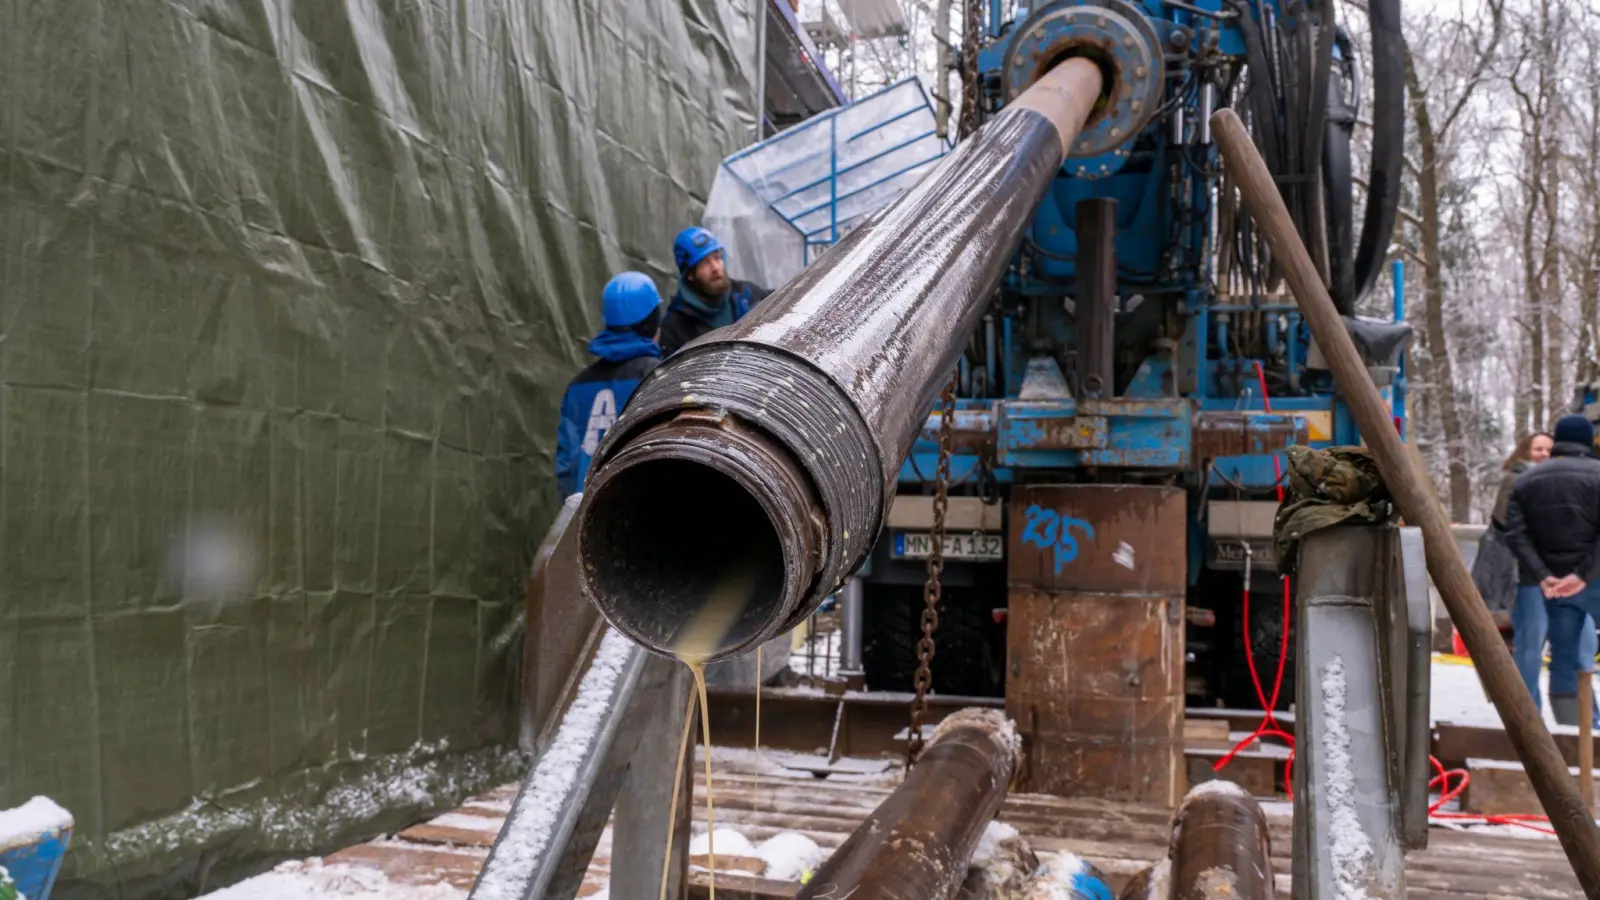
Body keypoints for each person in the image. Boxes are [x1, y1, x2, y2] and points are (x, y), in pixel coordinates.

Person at [1490, 432, 1600, 721]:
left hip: (1561, 579)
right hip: (1528, 579)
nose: (1543, 454)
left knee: (1580, 646)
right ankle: (1528, 718)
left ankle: (1585, 718)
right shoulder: (1516, 480)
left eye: (1548, 449)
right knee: (1531, 644)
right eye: (1537, 448)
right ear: (1525, 451)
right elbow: (1505, 528)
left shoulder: (1562, 479)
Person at [555, 272, 664, 500]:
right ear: (651, 322)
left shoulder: (578, 385)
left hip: (582, 510)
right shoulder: (657, 376)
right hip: (638, 508)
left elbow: (565, 466)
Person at [659, 226, 770, 356]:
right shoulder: (675, 326)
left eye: (717, 258)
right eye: (705, 263)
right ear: (690, 275)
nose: (715, 268)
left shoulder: (748, 295)